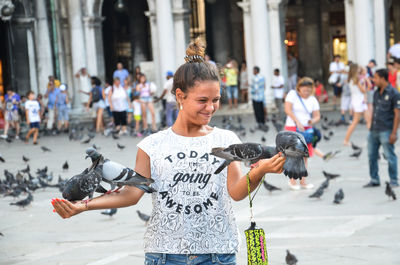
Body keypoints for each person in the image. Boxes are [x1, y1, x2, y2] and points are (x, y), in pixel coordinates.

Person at [51, 38, 286, 265]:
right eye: (202, 100)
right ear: (180, 96)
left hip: (218, 253)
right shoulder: (151, 144)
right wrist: (83, 206)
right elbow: (131, 195)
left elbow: (235, 192)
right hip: (164, 254)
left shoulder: (226, 139)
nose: (211, 107)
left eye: (216, 99)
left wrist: (260, 171)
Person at [364, 69, 400, 188]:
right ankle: (374, 179)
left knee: (389, 155)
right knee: (371, 156)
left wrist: (394, 132)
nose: (374, 80)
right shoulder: (376, 92)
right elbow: (373, 109)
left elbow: (397, 114)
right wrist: (369, 124)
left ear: (383, 79)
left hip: (386, 130)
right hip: (374, 129)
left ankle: (393, 179)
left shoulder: (394, 93)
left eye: (376, 78)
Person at [284, 77, 320, 190]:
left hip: (306, 130)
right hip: (293, 127)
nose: (306, 92)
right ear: (299, 89)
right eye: (304, 90)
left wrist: (312, 121)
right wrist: (297, 121)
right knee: (294, 155)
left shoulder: (313, 100)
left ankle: (303, 181)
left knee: (305, 156)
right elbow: (287, 110)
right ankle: (292, 181)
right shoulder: (292, 94)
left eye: (309, 90)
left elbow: (317, 116)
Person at [343, 64, 370, 145]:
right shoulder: (357, 79)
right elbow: (363, 91)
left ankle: (371, 139)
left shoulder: (352, 79)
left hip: (357, 100)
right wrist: (367, 83)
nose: (360, 70)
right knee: (355, 122)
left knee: (368, 120)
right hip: (359, 101)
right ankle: (346, 140)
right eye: (358, 69)